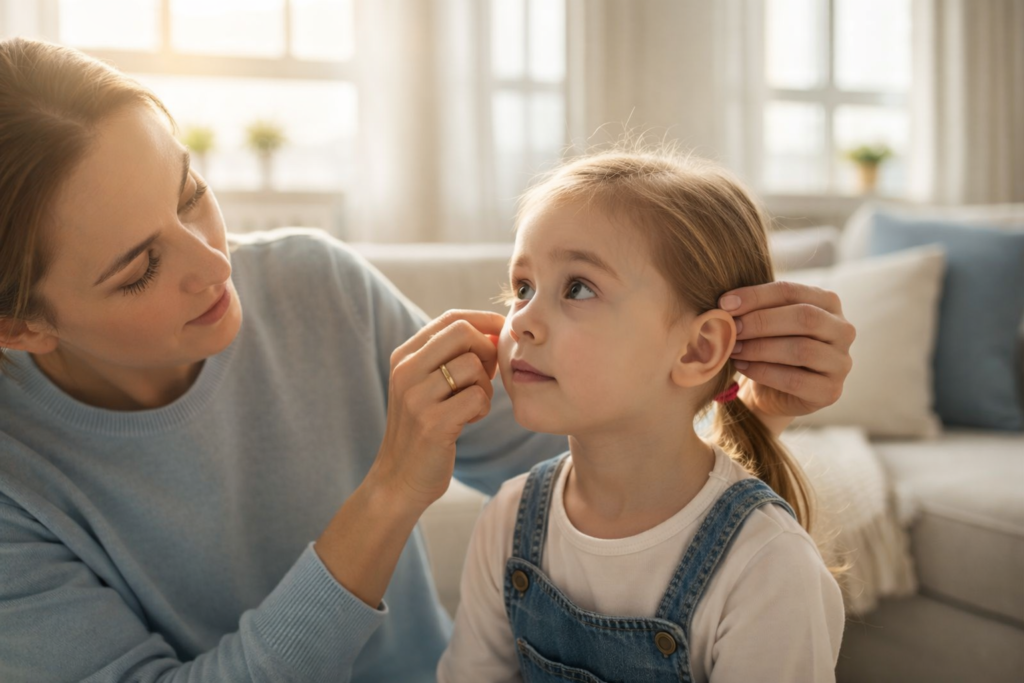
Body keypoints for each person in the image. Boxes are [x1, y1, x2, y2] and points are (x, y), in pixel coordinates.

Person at [0, 38, 855, 683]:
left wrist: (743, 393)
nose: (217, 265)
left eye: (192, 192)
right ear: (22, 326)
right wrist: (390, 491)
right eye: (141, 266)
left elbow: (607, 453)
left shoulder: (312, 282)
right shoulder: (16, 482)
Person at [437, 150, 847, 683]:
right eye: (523, 288)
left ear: (699, 349)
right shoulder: (508, 521)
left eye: (578, 287)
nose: (523, 323)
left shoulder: (769, 565)